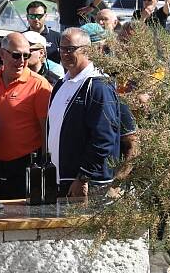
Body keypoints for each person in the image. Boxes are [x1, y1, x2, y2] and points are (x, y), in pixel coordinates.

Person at [47, 28, 121, 199]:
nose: (64, 54)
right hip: (61, 179)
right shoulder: (60, 84)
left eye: (70, 49)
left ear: (87, 50)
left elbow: (104, 139)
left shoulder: (98, 86)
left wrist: (83, 177)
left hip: (88, 183)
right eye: (62, 48)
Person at [0, 33, 53, 200]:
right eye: (16, 55)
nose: (21, 61)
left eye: (26, 55)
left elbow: (46, 130)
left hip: (24, 165)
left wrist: (44, 163)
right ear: (2, 54)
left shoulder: (39, 85)